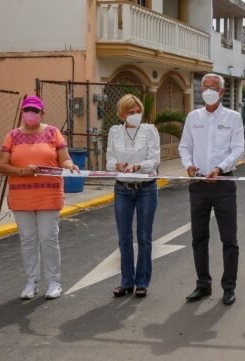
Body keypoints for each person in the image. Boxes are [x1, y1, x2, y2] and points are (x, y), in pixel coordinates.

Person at [0, 95, 79, 300]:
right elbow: (2, 166)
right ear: (22, 113)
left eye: (35, 111)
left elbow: (64, 158)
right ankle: (31, 282)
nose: (30, 114)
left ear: (42, 113)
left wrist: (70, 165)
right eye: (27, 110)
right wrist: (23, 171)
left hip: (48, 194)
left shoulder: (53, 133)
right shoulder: (12, 136)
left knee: (48, 238)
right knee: (28, 240)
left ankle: (54, 282)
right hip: (21, 196)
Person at [179, 73, 244, 306]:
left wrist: (220, 168)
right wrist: (188, 165)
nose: (208, 90)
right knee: (199, 237)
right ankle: (203, 284)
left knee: (229, 239)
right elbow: (184, 146)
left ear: (222, 92)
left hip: (224, 183)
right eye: (204, 87)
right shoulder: (193, 117)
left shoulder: (233, 118)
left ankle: (229, 287)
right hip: (198, 185)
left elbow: (237, 149)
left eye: (213, 87)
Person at [106, 94, 161, 298]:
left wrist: (138, 166)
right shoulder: (115, 132)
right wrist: (118, 165)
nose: (136, 115)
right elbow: (109, 160)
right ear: (122, 114)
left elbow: (154, 159)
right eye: (131, 112)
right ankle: (126, 281)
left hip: (146, 187)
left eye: (138, 112)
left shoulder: (149, 131)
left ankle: (142, 282)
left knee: (144, 237)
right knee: (124, 238)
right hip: (122, 188)